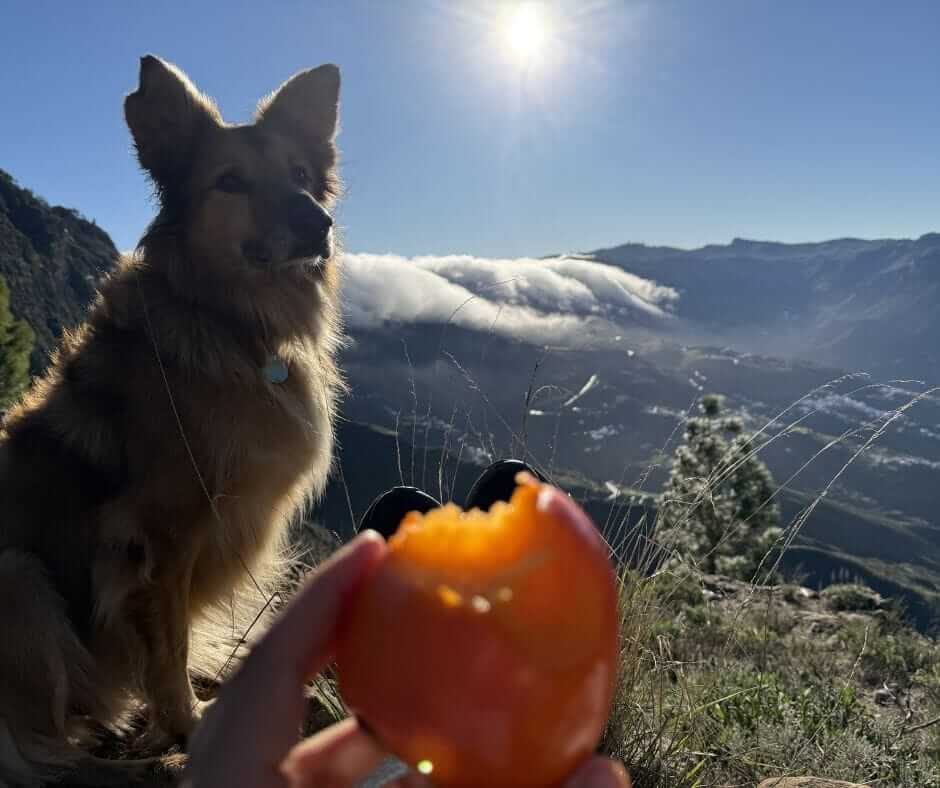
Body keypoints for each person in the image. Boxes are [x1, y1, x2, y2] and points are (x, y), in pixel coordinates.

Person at [182, 500, 631, 787]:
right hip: (534, 748)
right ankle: (476, 632)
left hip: (399, 729)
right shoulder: (564, 550)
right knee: (504, 484)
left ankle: (436, 623)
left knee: (401, 510)